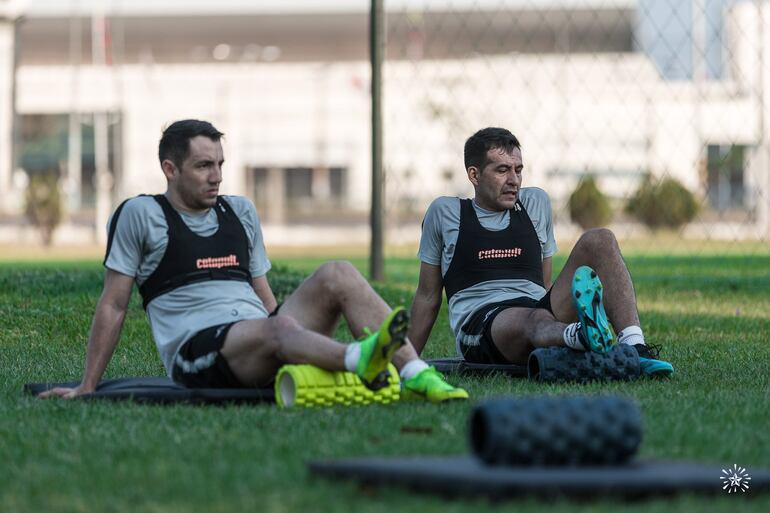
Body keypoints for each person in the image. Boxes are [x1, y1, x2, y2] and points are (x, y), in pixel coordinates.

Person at [40, 119, 468, 403]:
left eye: (221, 164)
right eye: (204, 166)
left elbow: (265, 299)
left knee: (337, 272)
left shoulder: (239, 212)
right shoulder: (141, 215)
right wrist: (88, 385)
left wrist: (285, 332)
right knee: (279, 326)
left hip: (264, 336)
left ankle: (415, 373)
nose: (217, 176)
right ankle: (360, 359)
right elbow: (114, 304)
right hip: (200, 353)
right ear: (170, 169)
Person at [408, 127, 673, 376]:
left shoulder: (535, 203)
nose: (514, 180)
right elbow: (428, 296)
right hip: (482, 324)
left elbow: (544, 284)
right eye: (502, 170)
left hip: (537, 308)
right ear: (474, 175)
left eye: (518, 170)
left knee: (600, 239)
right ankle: (581, 335)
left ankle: (635, 348)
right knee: (533, 319)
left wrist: (550, 309)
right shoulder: (446, 213)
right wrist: (405, 363)